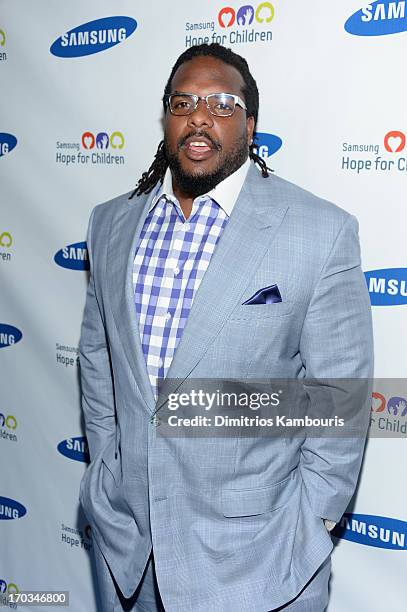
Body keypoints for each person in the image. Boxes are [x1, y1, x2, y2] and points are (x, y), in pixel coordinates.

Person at [79, 43, 373, 612]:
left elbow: (340, 400)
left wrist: (308, 524)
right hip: (128, 550)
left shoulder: (320, 232)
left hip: (260, 563)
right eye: (183, 101)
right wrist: (106, 470)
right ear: (166, 117)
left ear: (250, 123)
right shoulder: (110, 223)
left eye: (221, 102)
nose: (199, 115)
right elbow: (97, 363)